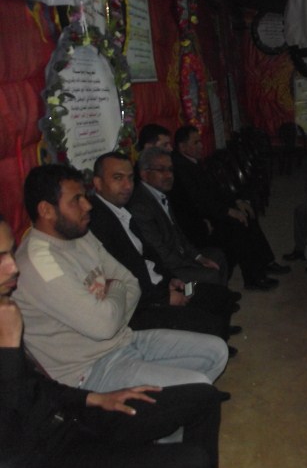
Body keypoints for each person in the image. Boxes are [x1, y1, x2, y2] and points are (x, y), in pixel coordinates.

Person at [0, 215, 223, 468]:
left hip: (72, 415)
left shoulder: (7, 309)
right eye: (0, 257)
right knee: (192, 458)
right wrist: (8, 350)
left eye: (10, 252)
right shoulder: (35, 270)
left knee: (205, 396)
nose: (13, 266)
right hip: (40, 452)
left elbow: (37, 387)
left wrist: (93, 398)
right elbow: (10, 432)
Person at [13, 164, 229, 392]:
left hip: (124, 338)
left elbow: (131, 283)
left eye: (85, 196)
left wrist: (112, 301)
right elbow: (105, 323)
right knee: (198, 386)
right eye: (76, 200)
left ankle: (171, 405)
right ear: (46, 210)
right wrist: (116, 290)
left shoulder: (80, 235)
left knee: (217, 351)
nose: (87, 205)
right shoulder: (40, 263)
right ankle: (178, 404)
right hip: (90, 369)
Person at [90, 152, 241, 356]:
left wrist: (171, 280)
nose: (127, 185)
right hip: (145, 304)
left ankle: (217, 336)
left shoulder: (122, 211)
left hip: (163, 285)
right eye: (118, 178)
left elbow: (151, 255)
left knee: (217, 295)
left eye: (130, 178)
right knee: (204, 315)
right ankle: (212, 339)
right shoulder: (99, 222)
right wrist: (164, 297)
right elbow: (125, 277)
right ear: (97, 183)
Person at [171, 125, 287, 290]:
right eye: (195, 143)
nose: (201, 146)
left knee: (246, 212)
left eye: (200, 141)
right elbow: (199, 202)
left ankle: (265, 262)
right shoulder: (181, 168)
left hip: (210, 209)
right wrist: (228, 211)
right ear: (182, 147)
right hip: (199, 219)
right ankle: (253, 278)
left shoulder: (192, 162)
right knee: (238, 223)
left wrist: (236, 201)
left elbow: (215, 190)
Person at [128, 147, 230, 287]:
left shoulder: (160, 194)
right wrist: (194, 263)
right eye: (161, 170)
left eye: (171, 169)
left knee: (218, 256)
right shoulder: (140, 205)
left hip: (178, 256)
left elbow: (179, 235)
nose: (169, 175)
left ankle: (221, 296)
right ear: (144, 174)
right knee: (210, 274)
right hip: (164, 268)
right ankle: (200, 296)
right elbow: (158, 252)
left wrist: (198, 257)